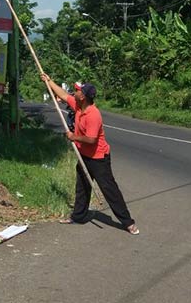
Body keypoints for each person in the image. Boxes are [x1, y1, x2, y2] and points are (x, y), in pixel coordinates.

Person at [40, 73, 140, 235]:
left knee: (109, 189)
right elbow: (63, 95)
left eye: (78, 91)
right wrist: (48, 81)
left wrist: (73, 136)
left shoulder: (93, 114)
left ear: (84, 96)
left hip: (98, 158)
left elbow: (92, 139)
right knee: (82, 187)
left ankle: (128, 222)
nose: (75, 92)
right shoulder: (79, 106)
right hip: (84, 156)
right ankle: (79, 216)